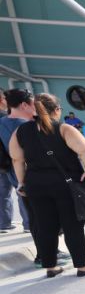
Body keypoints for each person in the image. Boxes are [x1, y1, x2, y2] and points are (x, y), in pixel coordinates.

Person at [10, 94, 85, 278]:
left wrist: (21, 182)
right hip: (65, 184)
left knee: (45, 225)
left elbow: (17, 159)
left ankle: (50, 266)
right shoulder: (64, 129)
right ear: (57, 109)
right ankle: (82, 265)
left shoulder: (21, 131)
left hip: (36, 184)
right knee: (72, 225)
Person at [0, 89, 35, 235]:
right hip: (20, 163)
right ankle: (29, 224)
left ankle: (4, 224)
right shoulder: (26, 124)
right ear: (24, 105)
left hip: (3, 164)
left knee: (3, 194)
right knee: (24, 192)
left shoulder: (2, 121)